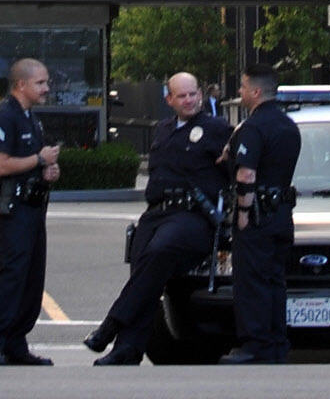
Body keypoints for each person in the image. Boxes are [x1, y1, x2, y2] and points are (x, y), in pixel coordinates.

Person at [87, 69, 231, 365]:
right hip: (156, 213)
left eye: (194, 94)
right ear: (169, 99)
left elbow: (235, 168)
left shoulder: (218, 129)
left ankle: (110, 325)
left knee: (158, 254)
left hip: (191, 215)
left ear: (201, 96)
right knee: (144, 276)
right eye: (182, 95)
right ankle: (127, 349)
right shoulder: (163, 129)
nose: (189, 100)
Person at [0, 55, 59, 366]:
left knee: (32, 280)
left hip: (34, 207)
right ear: (21, 84)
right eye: (40, 83)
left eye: (46, 82)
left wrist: (49, 171)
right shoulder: (2, 117)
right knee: (12, 277)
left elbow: (37, 162)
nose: (46, 88)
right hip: (11, 210)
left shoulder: (31, 118)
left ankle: (16, 343)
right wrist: (39, 160)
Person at [221, 62, 301, 363]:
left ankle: (254, 345)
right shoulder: (288, 126)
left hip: (257, 215)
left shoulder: (253, 127)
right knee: (274, 281)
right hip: (282, 213)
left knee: (251, 281)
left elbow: (246, 175)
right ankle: (276, 342)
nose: (239, 92)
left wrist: (242, 213)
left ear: (255, 91)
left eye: (242, 87)